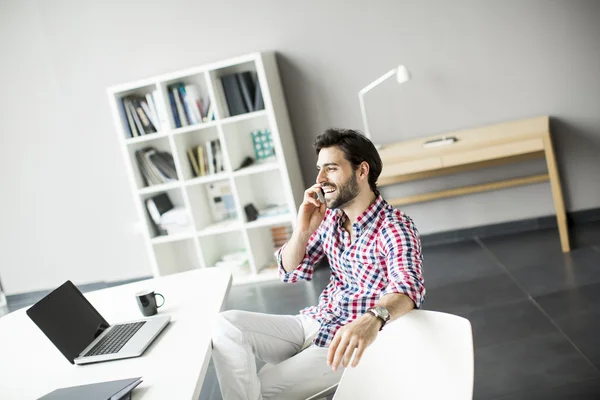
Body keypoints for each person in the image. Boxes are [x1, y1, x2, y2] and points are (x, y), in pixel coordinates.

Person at [211, 128, 425, 400]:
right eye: (320, 169)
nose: (320, 179)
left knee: (260, 389)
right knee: (226, 325)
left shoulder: (393, 228)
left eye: (331, 169)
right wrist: (302, 230)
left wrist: (372, 319)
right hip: (316, 321)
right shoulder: (330, 219)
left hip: (351, 339)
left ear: (362, 171)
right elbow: (289, 271)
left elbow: (408, 288)